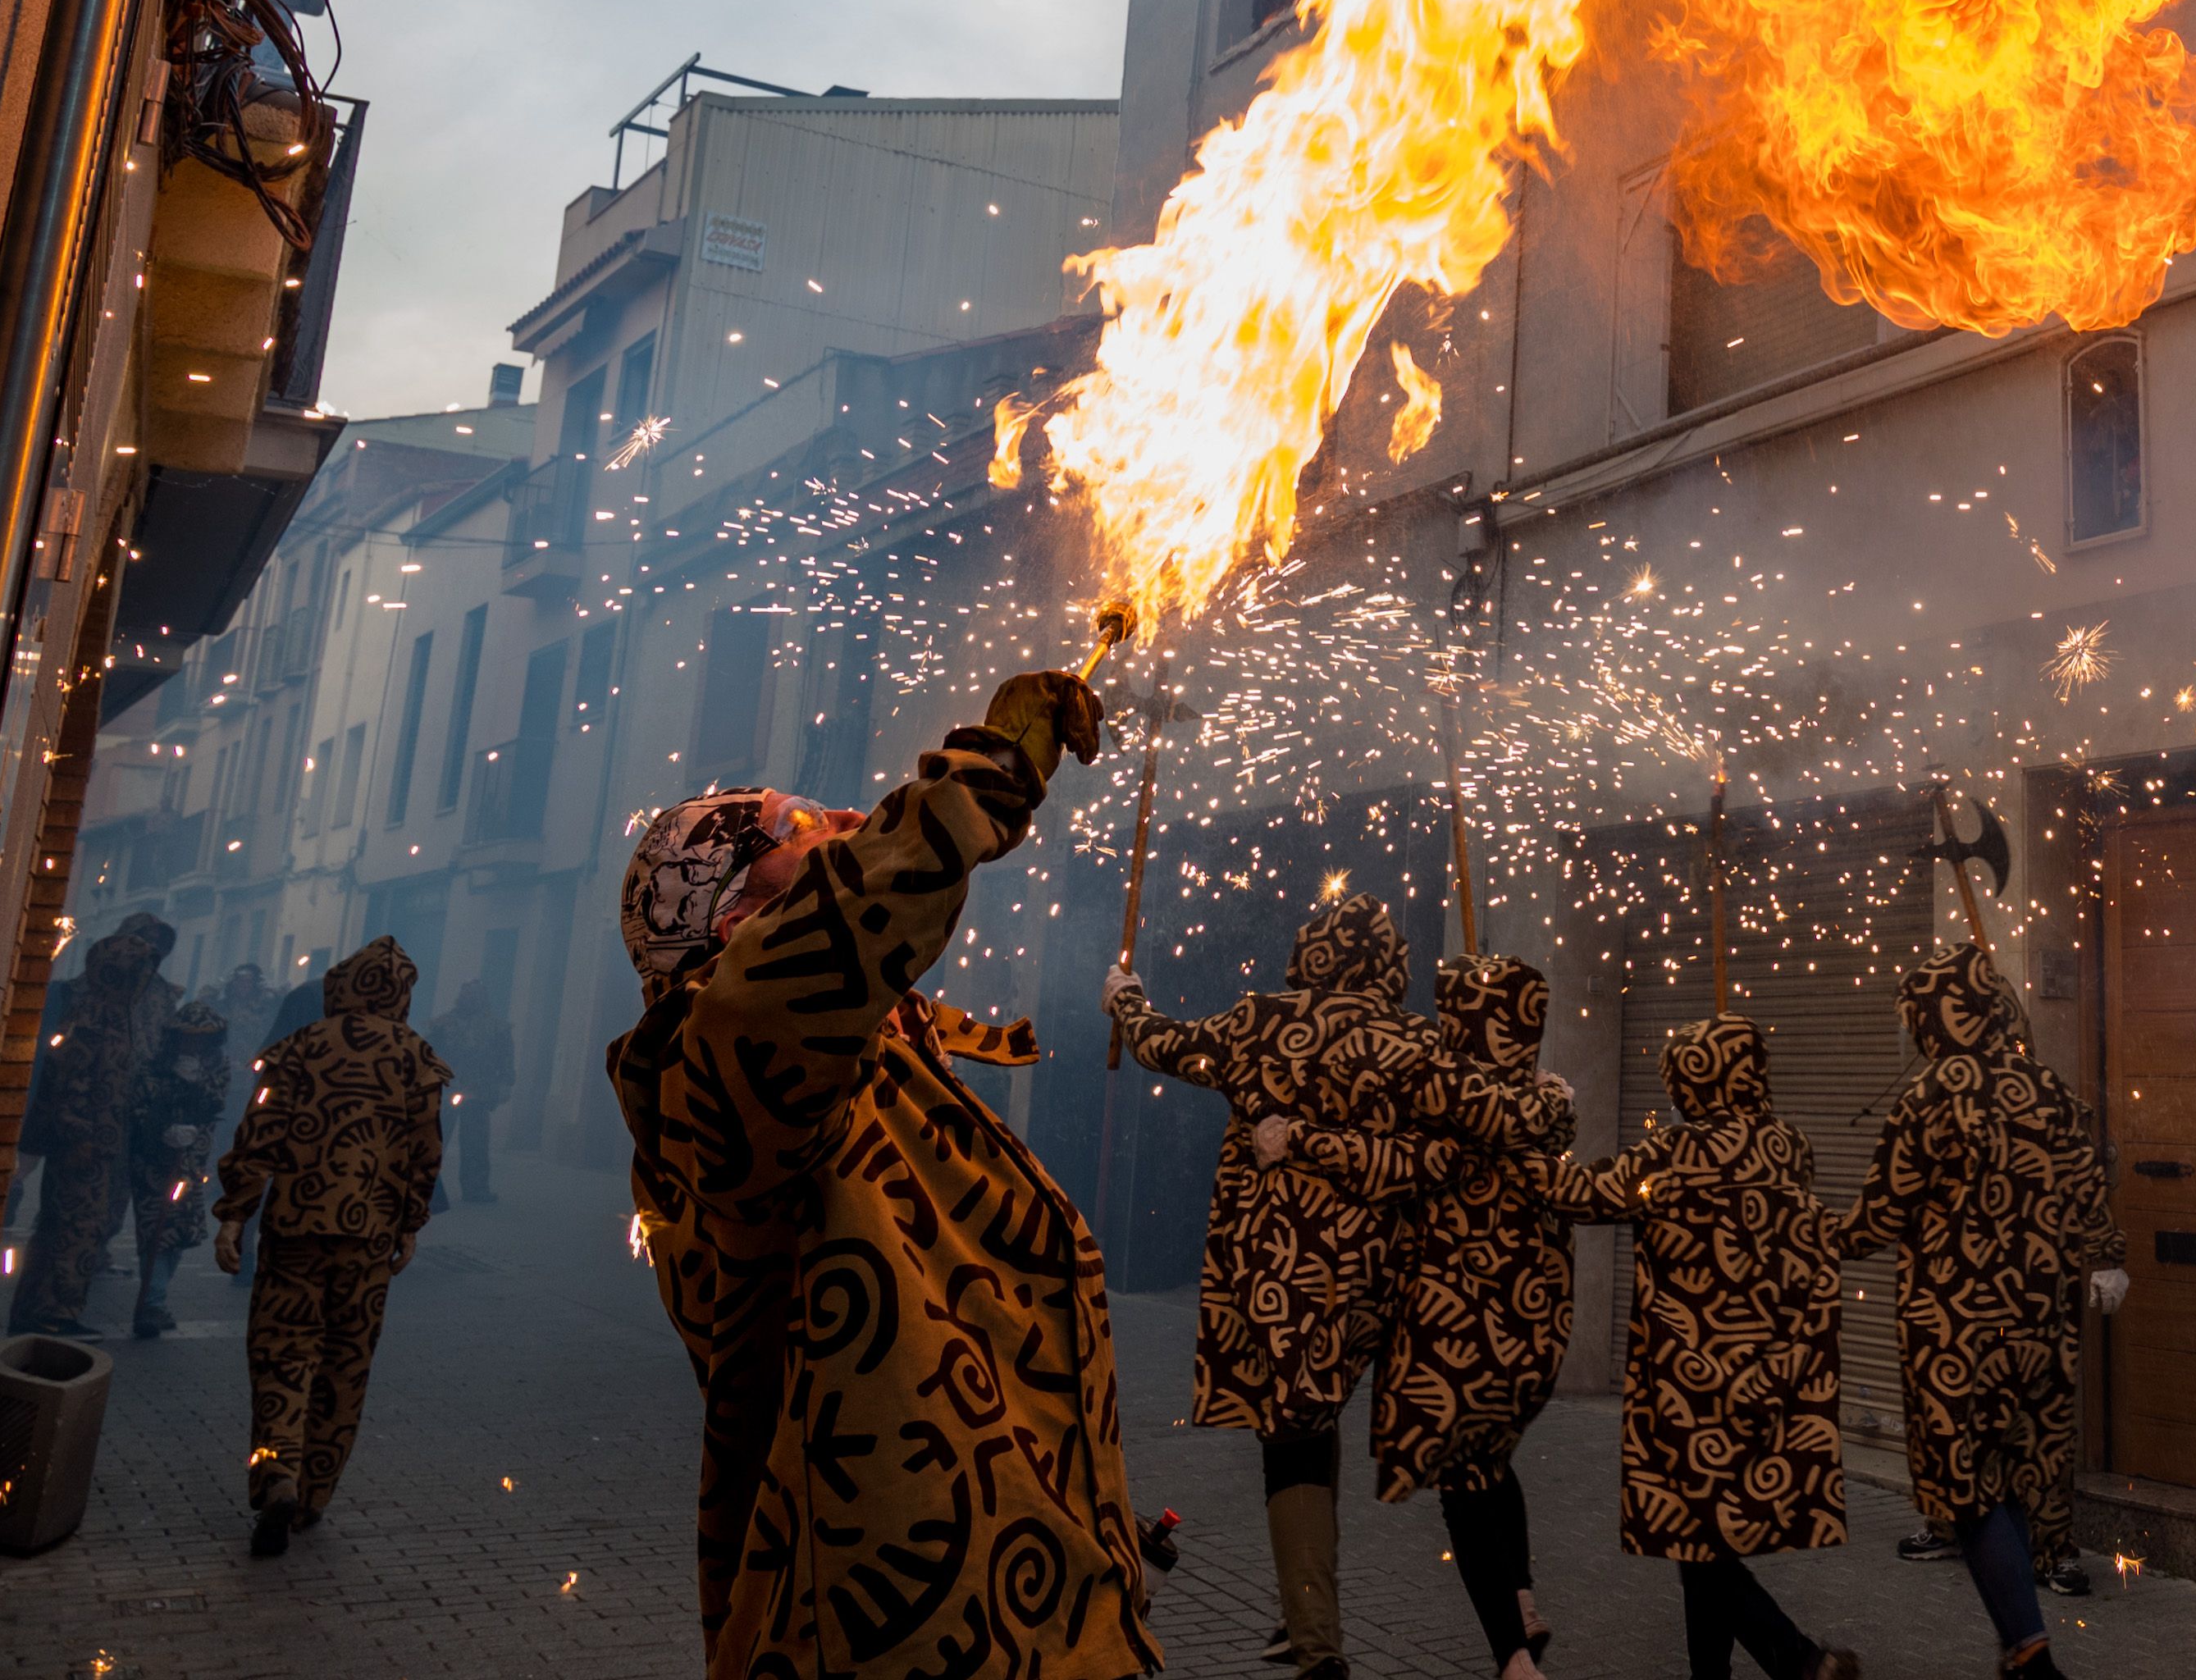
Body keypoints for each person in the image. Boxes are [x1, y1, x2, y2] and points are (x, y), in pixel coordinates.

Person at [613, 671, 1162, 1680]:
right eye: (801, 826)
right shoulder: (717, 1074)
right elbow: (779, 992)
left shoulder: (864, 1065)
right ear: (730, 917)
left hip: (1022, 1599)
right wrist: (962, 795)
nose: (853, 820)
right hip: (888, 1636)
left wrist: (1092, 1529)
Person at [1103, 895, 1550, 1680]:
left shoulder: (1258, 1022)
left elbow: (1164, 1046)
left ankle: (1317, 1641)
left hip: (1280, 1273)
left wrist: (1125, 998)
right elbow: (1474, 1135)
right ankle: (1505, 1626)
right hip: (1385, 1272)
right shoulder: (1415, 1040)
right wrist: (1542, 1095)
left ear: (1309, 950)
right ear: (1391, 963)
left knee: (1297, 1434)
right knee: (1422, 1424)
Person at [1257, 952, 1581, 1680]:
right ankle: (1521, 1598)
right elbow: (1537, 1124)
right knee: (1490, 1462)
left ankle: (1513, 1659)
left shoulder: (1446, 1087)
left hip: (1451, 1320)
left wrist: (1297, 1140)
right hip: (1531, 1321)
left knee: (1462, 1482)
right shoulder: (1540, 1100)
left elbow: (1398, 1160)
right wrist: (1558, 1096)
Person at [1526, 1015, 1859, 1680]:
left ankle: (1799, 1660)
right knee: (1699, 1538)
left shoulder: (1671, 1155)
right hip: (1769, 1370)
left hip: (1688, 1380)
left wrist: (1534, 1132)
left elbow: (1579, 1195)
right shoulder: (1790, 1145)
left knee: (1695, 1536)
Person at [1829, 944, 2127, 1680]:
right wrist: (2109, 1255)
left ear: (1932, 1019)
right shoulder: (2047, 1087)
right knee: (2021, 1473)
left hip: (1954, 1329)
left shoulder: (1930, 1097)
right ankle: (2021, 1637)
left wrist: (1803, 1228)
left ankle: (2029, 1653)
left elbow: (1875, 1221)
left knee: (1965, 1485)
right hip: (2040, 1323)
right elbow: (2091, 1180)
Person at [208, 935, 452, 1556]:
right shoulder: (416, 1058)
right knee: (345, 1364)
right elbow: (426, 1153)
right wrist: (409, 1226)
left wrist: (235, 1214)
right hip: (368, 1238)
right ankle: (313, 1494)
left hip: (294, 1227)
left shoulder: (300, 1047)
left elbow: (258, 1131)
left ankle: (277, 1472)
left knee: (282, 1354)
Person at [12, 911, 180, 1335]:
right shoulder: (90, 1021)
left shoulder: (119, 1018)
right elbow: (70, 1085)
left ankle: (45, 1309)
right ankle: (53, 1313)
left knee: (85, 1226)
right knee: (72, 1229)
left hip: (110, 1142)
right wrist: (78, 1135)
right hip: (84, 1148)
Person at [126, 1001, 233, 1337]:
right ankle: (152, 1303)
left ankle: (157, 1297)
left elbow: (215, 1105)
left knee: (178, 1231)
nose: (194, 1046)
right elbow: (139, 1108)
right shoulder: (153, 1066)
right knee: (154, 1229)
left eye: (201, 1040)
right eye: (188, 1039)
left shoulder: (218, 1067)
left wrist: (196, 1086)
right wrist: (161, 1128)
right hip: (151, 1161)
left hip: (190, 1163)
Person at [426, 979, 514, 1203]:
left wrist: (505, 1082)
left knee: (475, 1143)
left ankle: (476, 1190)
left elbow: (505, 1058)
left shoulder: (496, 1027)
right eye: (466, 994)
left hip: (478, 1092)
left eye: (473, 995)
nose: (468, 999)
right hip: (446, 1089)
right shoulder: (443, 1025)